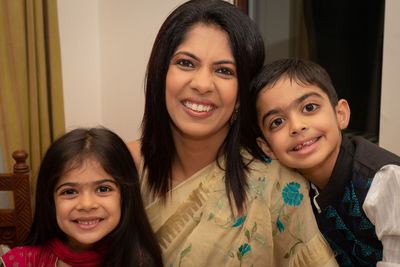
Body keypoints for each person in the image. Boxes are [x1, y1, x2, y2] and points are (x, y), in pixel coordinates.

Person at [127, 1, 338, 266]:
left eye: (224, 71)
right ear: (161, 74)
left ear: (242, 95)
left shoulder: (276, 185)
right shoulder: (122, 169)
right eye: (186, 63)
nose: (202, 84)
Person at [249, 58, 400, 266]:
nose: (297, 126)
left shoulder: (383, 180)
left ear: (341, 115)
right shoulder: (291, 187)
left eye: (309, 107)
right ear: (267, 147)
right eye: (277, 122)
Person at [1, 127, 163, 267]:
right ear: (51, 201)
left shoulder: (140, 262)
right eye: (69, 192)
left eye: (103, 189)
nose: (86, 204)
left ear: (124, 197)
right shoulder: (21, 261)